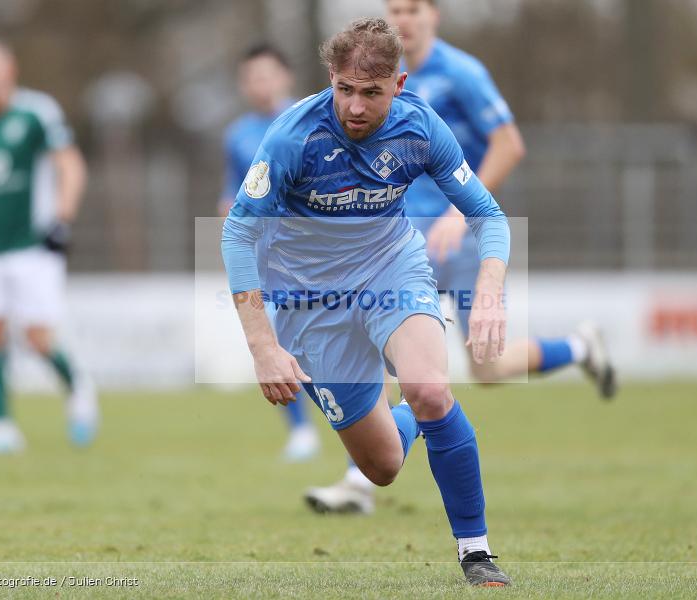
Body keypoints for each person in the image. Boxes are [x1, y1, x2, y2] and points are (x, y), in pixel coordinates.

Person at [222, 18, 513, 586]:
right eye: (345, 89)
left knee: (430, 389)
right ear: (331, 78)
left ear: (398, 85)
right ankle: (407, 423)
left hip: (391, 271)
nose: (355, 107)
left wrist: (489, 292)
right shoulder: (292, 137)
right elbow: (237, 234)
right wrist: (262, 346)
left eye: (372, 93)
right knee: (380, 466)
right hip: (311, 304)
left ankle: (475, 551)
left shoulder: (421, 129)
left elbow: (489, 216)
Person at [304, 0, 617, 516]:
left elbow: (509, 144)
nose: (402, 18)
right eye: (394, 8)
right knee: (376, 350)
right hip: (399, 247)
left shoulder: (462, 73)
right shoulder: (369, 77)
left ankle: (579, 348)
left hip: (459, 241)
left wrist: (457, 212)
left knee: (487, 368)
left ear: (434, 15)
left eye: (413, 9)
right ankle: (361, 480)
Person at [0, 35, 98, 454]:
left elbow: (70, 165)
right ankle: (1, 425)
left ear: (9, 69)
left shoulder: (37, 113)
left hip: (33, 246)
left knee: (37, 339)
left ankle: (78, 389)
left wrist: (62, 220)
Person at [220, 44, 319, 462]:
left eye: (267, 75)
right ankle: (300, 431)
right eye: (252, 77)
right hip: (267, 259)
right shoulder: (237, 134)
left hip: (313, 254)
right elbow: (231, 192)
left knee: (332, 344)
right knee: (277, 341)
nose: (260, 85)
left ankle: (374, 420)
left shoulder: (307, 122)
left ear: (285, 78)